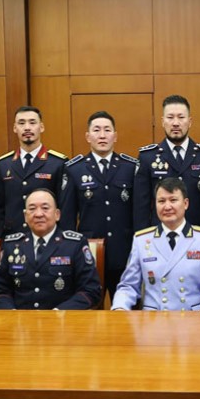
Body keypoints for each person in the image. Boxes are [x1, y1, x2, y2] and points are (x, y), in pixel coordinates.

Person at [112, 177, 200, 399]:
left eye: (173, 200)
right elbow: (127, 285)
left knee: (187, 376)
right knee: (143, 379)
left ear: (186, 204)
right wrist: (120, 310)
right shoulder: (143, 240)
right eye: (161, 201)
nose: (167, 206)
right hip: (153, 325)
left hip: (193, 324)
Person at [0, 188, 101, 399]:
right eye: (32, 208)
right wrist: (11, 314)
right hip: (20, 327)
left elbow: (91, 291)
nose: (38, 213)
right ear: (24, 215)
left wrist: (58, 314)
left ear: (57, 214)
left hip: (63, 328)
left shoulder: (75, 243)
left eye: (45, 208)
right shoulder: (12, 243)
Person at [60, 111, 138, 300]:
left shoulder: (130, 167)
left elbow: (139, 212)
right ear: (88, 136)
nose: (102, 135)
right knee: (89, 308)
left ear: (115, 136)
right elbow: (67, 218)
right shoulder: (74, 169)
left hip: (125, 254)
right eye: (96, 130)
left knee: (128, 309)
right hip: (89, 255)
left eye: (107, 130)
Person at [133, 95, 200, 231]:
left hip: (197, 235)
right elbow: (141, 207)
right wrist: (143, 238)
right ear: (162, 121)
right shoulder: (148, 157)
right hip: (160, 236)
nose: (175, 123)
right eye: (170, 117)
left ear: (189, 122)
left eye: (181, 117)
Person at [0, 106, 69, 236]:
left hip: (49, 237)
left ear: (41, 127)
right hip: (12, 238)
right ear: (14, 128)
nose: (27, 128)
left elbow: (65, 207)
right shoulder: (3, 165)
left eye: (32, 122)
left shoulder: (58, 163)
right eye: (21, 123)